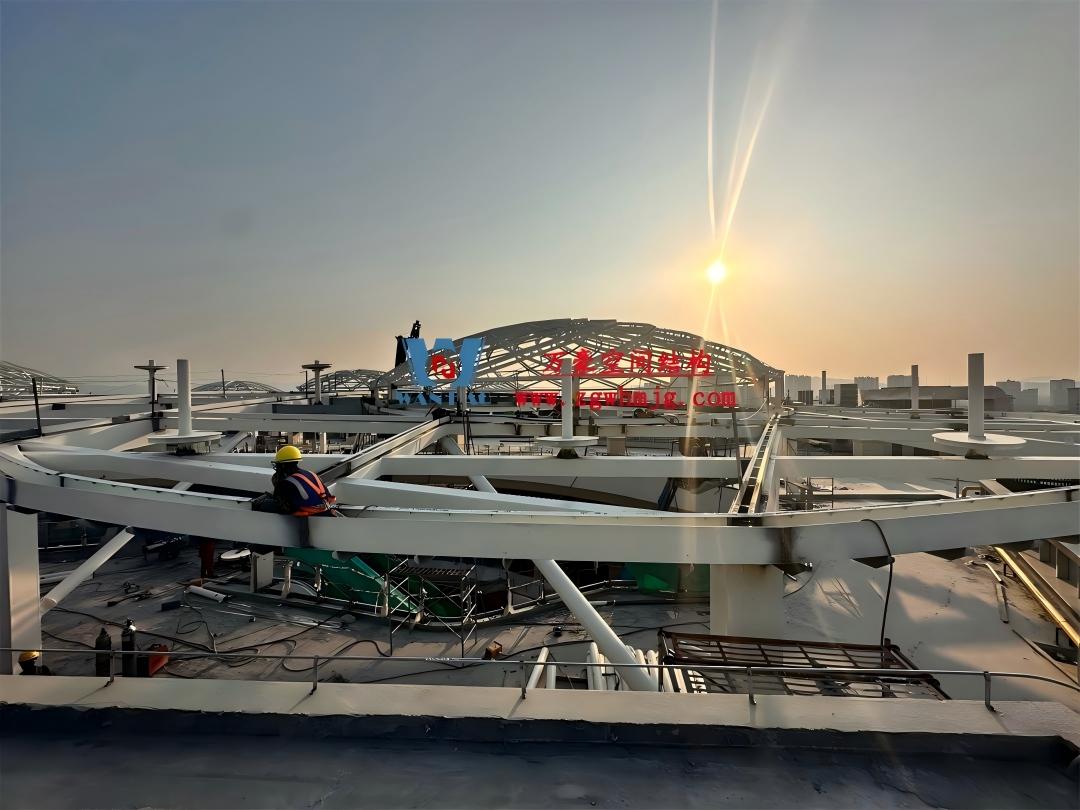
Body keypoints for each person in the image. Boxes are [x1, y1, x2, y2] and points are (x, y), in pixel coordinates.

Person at [252, 445, 338, 516]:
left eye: (278, 465)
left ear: (283, 465)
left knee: (264, 504)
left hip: (307, 514)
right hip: (324, 509)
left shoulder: (286, 483)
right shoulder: (312, 474)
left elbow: (281, 503)